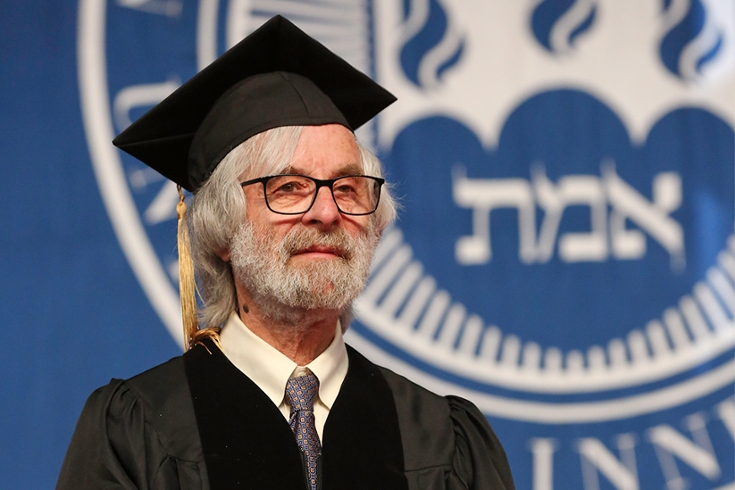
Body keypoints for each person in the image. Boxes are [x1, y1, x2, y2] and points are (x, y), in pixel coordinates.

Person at [57, 15, 515, 490]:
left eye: (347, 187)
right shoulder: (138, 432)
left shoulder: (443, 440)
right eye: (290, 187)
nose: (326, 212)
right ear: (220, 229)